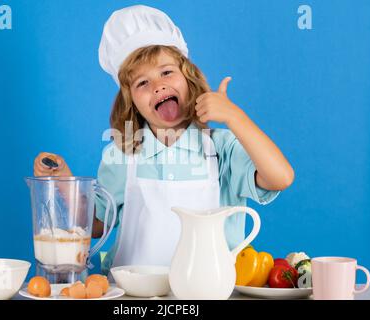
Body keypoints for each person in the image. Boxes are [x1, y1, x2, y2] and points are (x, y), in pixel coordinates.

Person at [34, 5, 295, 276]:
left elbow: (282, 177)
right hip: (133, 296)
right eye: (142, 83)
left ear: (189, 79)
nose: (157, 85)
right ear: (132, 102)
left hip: (209, 291)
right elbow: (96, 225)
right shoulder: (122, 155)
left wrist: (234, 116)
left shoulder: (221, 149)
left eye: (167, 72)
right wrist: (64, 182)